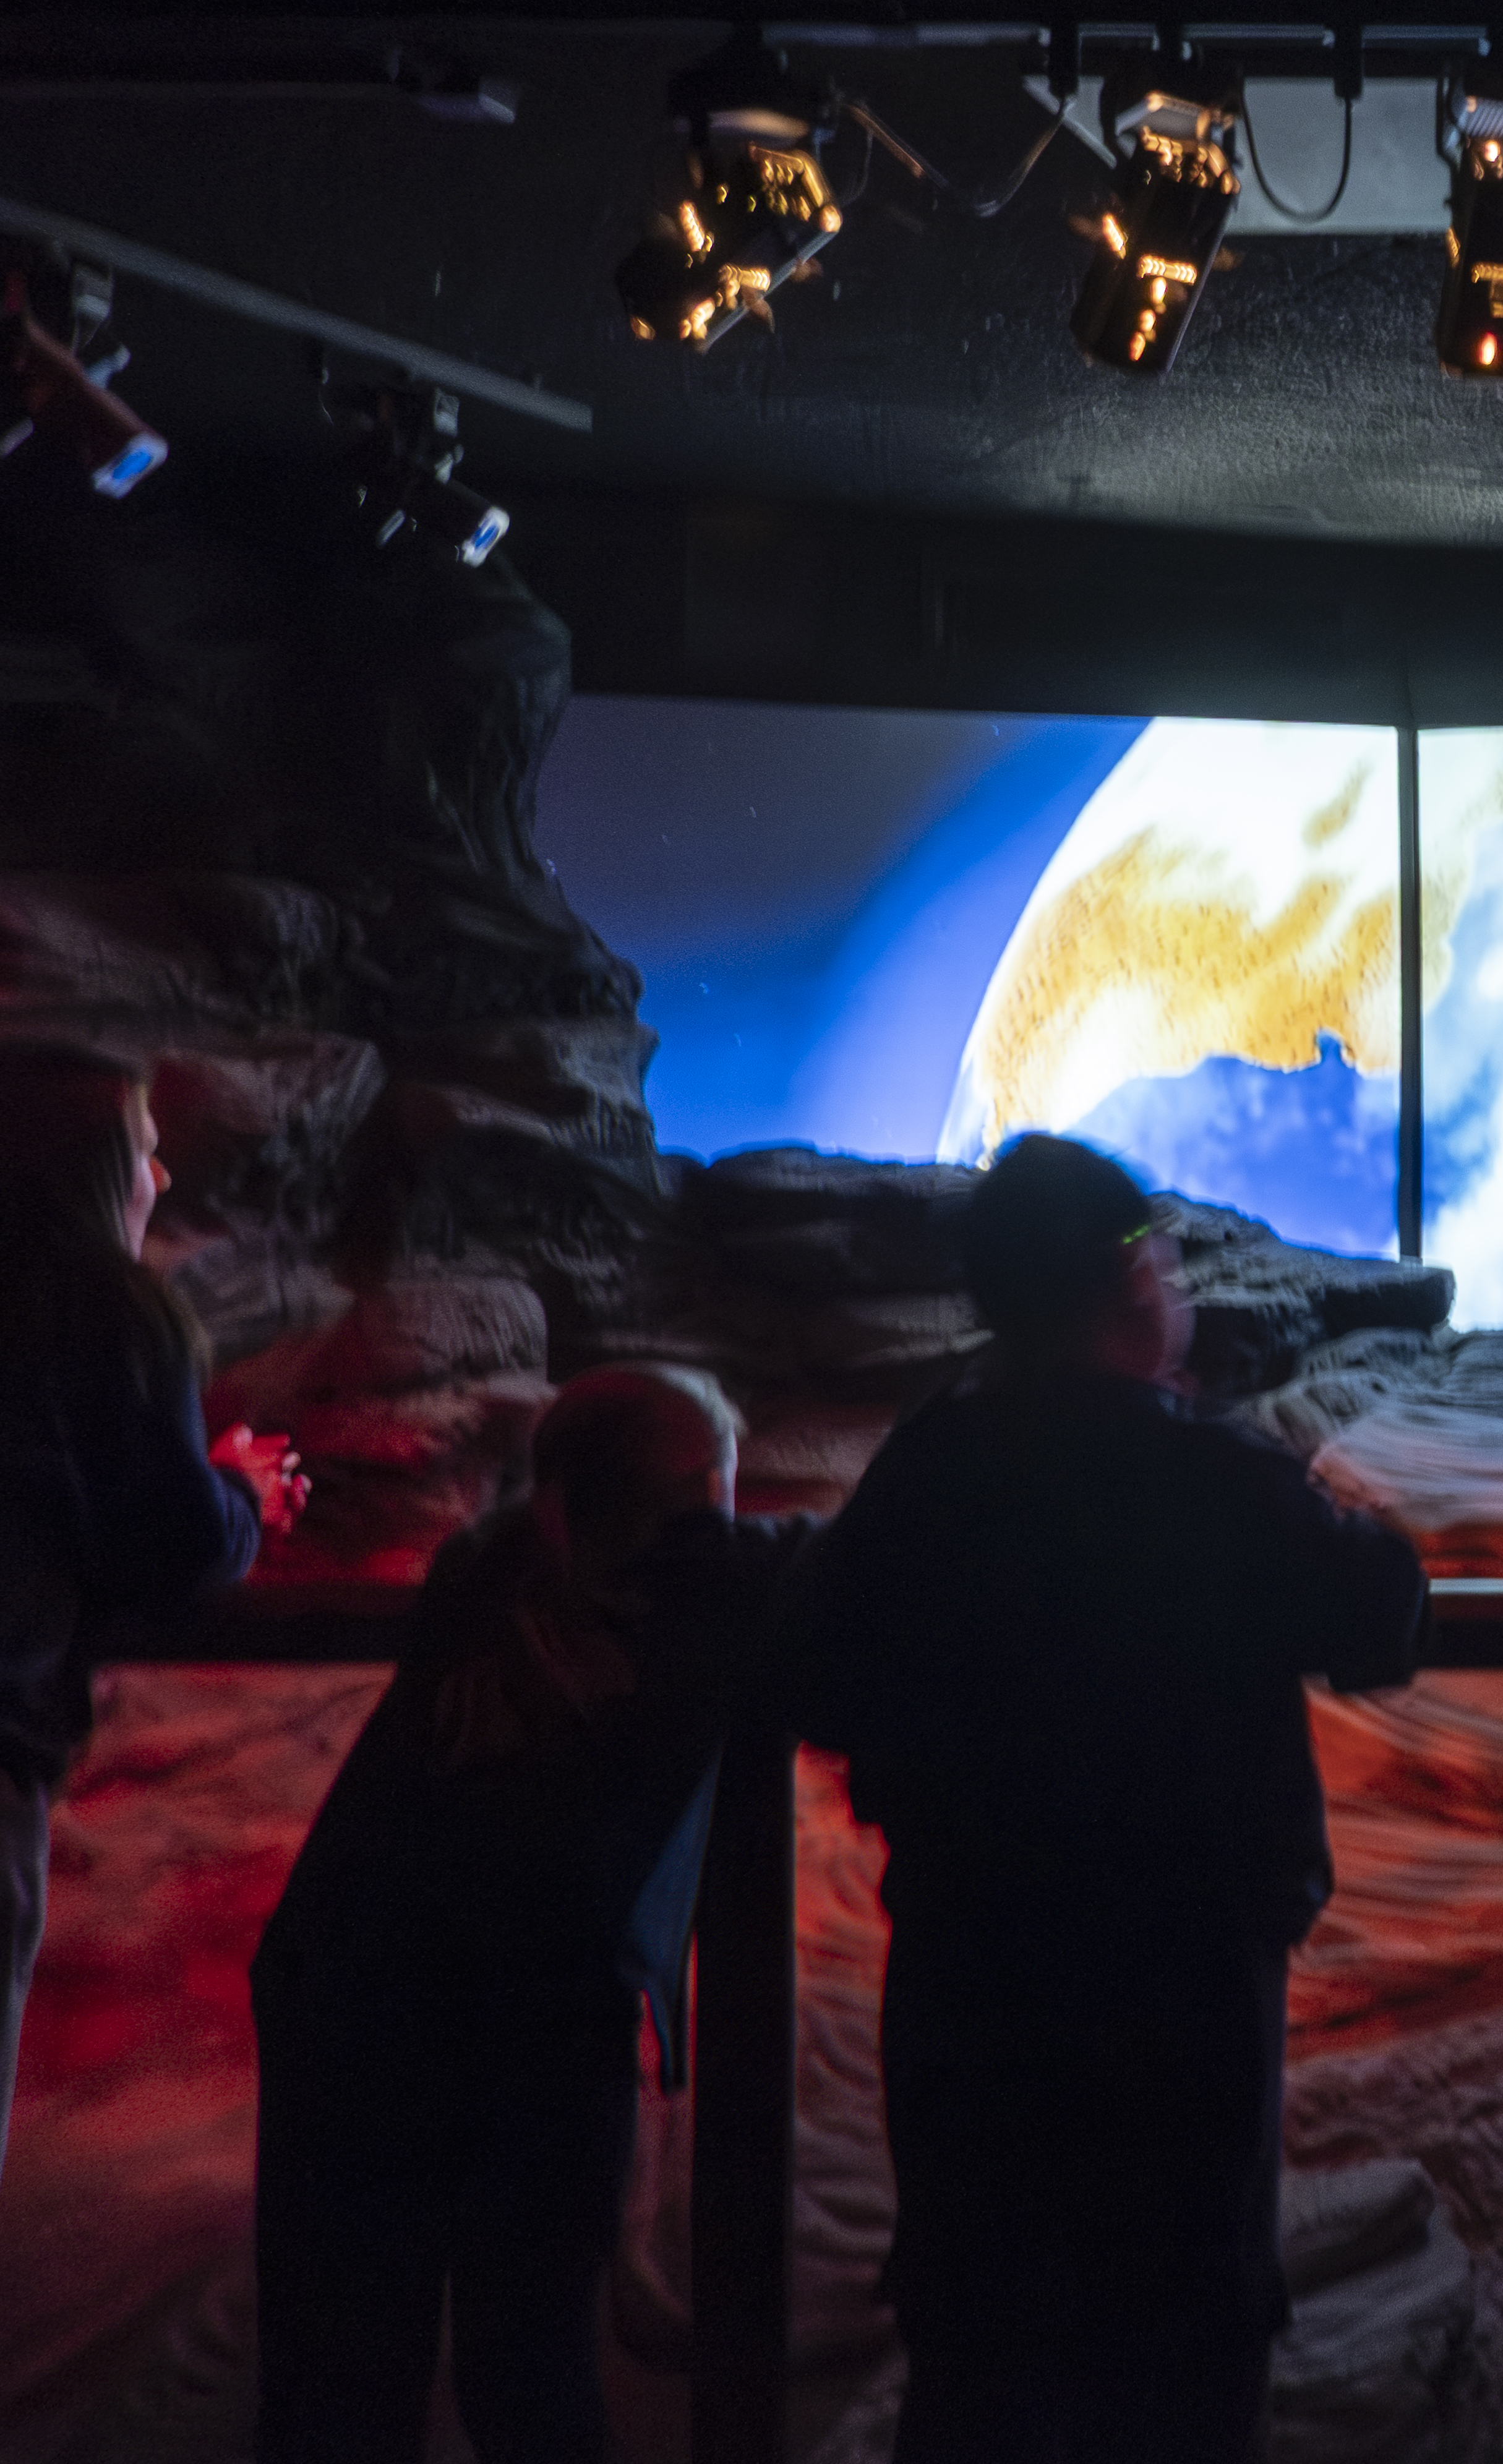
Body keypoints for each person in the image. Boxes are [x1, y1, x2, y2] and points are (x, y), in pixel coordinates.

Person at [780, 1135, 1426, 2464]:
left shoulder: (931, 1464)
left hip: (970, 1963)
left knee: (979, 2340)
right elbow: (1379, 1612)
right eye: (1168, 1262)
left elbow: (823, 1676)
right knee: (1183, 2334)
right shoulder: (1210, 1473)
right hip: (1186, 1979)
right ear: (1133, 1276)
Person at [254, 1364, 800, 2464]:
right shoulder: (707, 1589)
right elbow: (822, 1577)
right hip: (519, 2027)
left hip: (351, 1995)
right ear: (703, 1494)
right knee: (525, 2383)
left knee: (350, 2390)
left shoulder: (484, 1562)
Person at [0, 1042, 303, 2178]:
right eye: (145, 1149)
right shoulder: (106, 1312)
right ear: (91, 1171)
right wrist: (241, 1496)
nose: (161, 1179)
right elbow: (173, 1545)